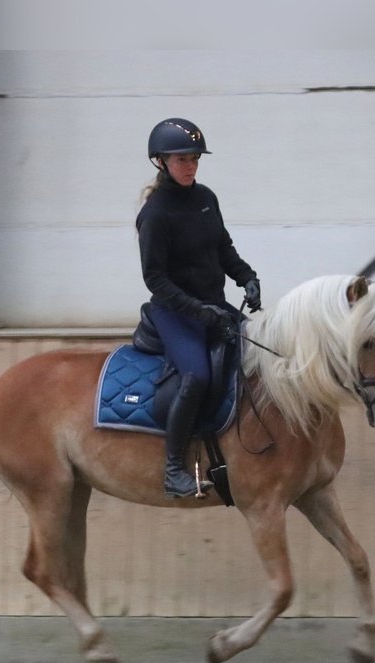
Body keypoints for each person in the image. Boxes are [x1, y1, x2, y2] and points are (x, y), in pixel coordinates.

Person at [135, 117, 262, 498]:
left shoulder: (206, 198)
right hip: (174, 313)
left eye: (194, 159)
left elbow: (222, 247)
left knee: (262, 352)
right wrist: (198, 311)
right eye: (181, 160)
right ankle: (174, 467)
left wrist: (247, 277)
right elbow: (155, 278)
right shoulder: (155, 214)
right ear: (161, 162)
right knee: (198, 376)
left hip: (214, 305)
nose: (190, 166)